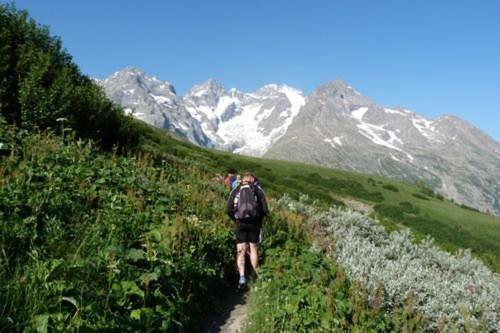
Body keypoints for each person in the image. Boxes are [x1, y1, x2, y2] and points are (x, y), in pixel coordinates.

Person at [226, 172, 268, 288]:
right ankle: (254, 276)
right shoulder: (258, 190)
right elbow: (265, 209)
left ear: (243, 180)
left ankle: (242, 278)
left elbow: (228, 209)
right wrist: (259, 220)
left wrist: (235, 219)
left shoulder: (236, 190)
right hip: (254, 223)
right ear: (252, 180)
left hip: (240, 224)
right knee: (253, 248)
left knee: (241, 250)